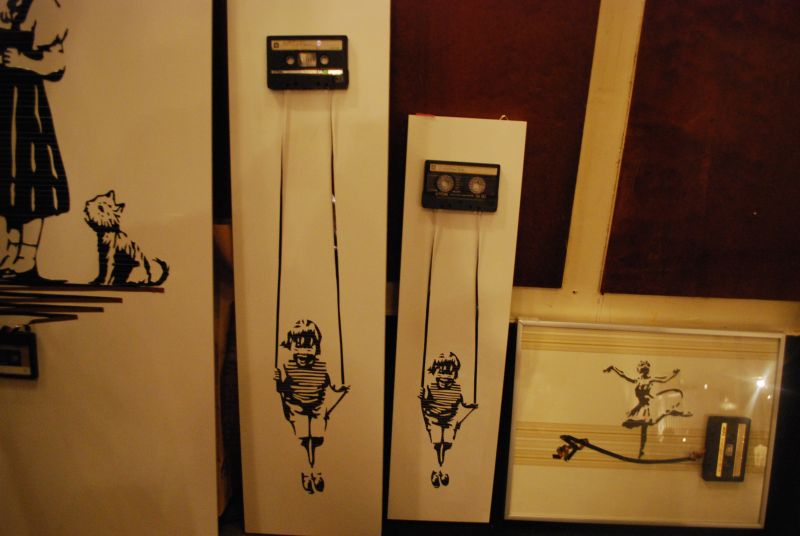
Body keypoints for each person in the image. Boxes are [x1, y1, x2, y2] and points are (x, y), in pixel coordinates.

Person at [0, 0, 69, 282]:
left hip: (27, 106)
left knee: (30, 180)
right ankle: (9, 252)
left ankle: (26, 257)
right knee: (6, 183)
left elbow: (57, 64)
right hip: (4, 106)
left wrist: (23, 62)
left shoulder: (43, 7)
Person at [274, 319, 349, 494]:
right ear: (291, 346)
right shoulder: (288, 366)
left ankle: (317, 471)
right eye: (298, 345)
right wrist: (278, 381)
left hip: (317, 408)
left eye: (309, 346)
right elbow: (283, 390)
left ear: (317, 348)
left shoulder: (322, 367)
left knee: (317, 439)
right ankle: (306, 472)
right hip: (296, 407)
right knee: (302, 439)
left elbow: (331, 386)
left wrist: (341, 388)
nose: (303, 351)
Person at [604, 360, 692, 458]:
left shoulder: (651, 380)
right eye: (642, 367)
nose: (644, 369)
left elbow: (664, 380)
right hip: (641, 406)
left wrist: (674, 374)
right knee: (639, 425)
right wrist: (613, 368)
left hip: (649, 405)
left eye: (645, 367)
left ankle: (641, 451)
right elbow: (623, 375)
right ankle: (641, 450)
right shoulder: (637, 380)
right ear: (639, 369)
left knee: (647, 424)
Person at [419, 351, 478, 487]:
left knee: (447, 444)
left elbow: (463, 403)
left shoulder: (457, 388)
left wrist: (471, 405)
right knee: (436, 444)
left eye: (450, 372)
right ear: (434, 371)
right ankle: (436, 470)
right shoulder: (430, 387)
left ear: (455, 373)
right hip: (433, 419)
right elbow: (425, 403)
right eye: (441, 371)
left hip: (450, 421)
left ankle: (443, 469)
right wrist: (423, 398)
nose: (445, 375)